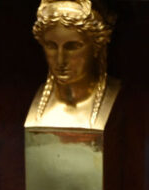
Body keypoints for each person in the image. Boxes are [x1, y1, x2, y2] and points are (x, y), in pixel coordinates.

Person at [26, 0, 118, 129]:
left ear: (97, 46)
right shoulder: (38, 104)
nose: (60, 60)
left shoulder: (117, 98)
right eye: (51, 46)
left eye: (73, 47)